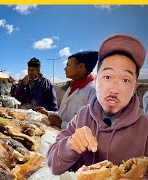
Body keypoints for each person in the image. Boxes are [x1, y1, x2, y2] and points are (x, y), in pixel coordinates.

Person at [46, 34, 148, 176]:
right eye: (107, 77)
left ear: (134, 88)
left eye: (125, 80)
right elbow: (52, 163)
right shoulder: (82, 116)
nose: (114, 88)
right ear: (97, 81)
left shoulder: (145, 128)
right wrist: (70, 146)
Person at [35, 51, 98, 129]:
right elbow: (64, 114)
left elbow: (95, 128)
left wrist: (62, 124)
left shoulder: (94, 91)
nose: (64, 68)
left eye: (68, 65)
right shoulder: (72, 87)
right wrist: (48, 113)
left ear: (80, 67)